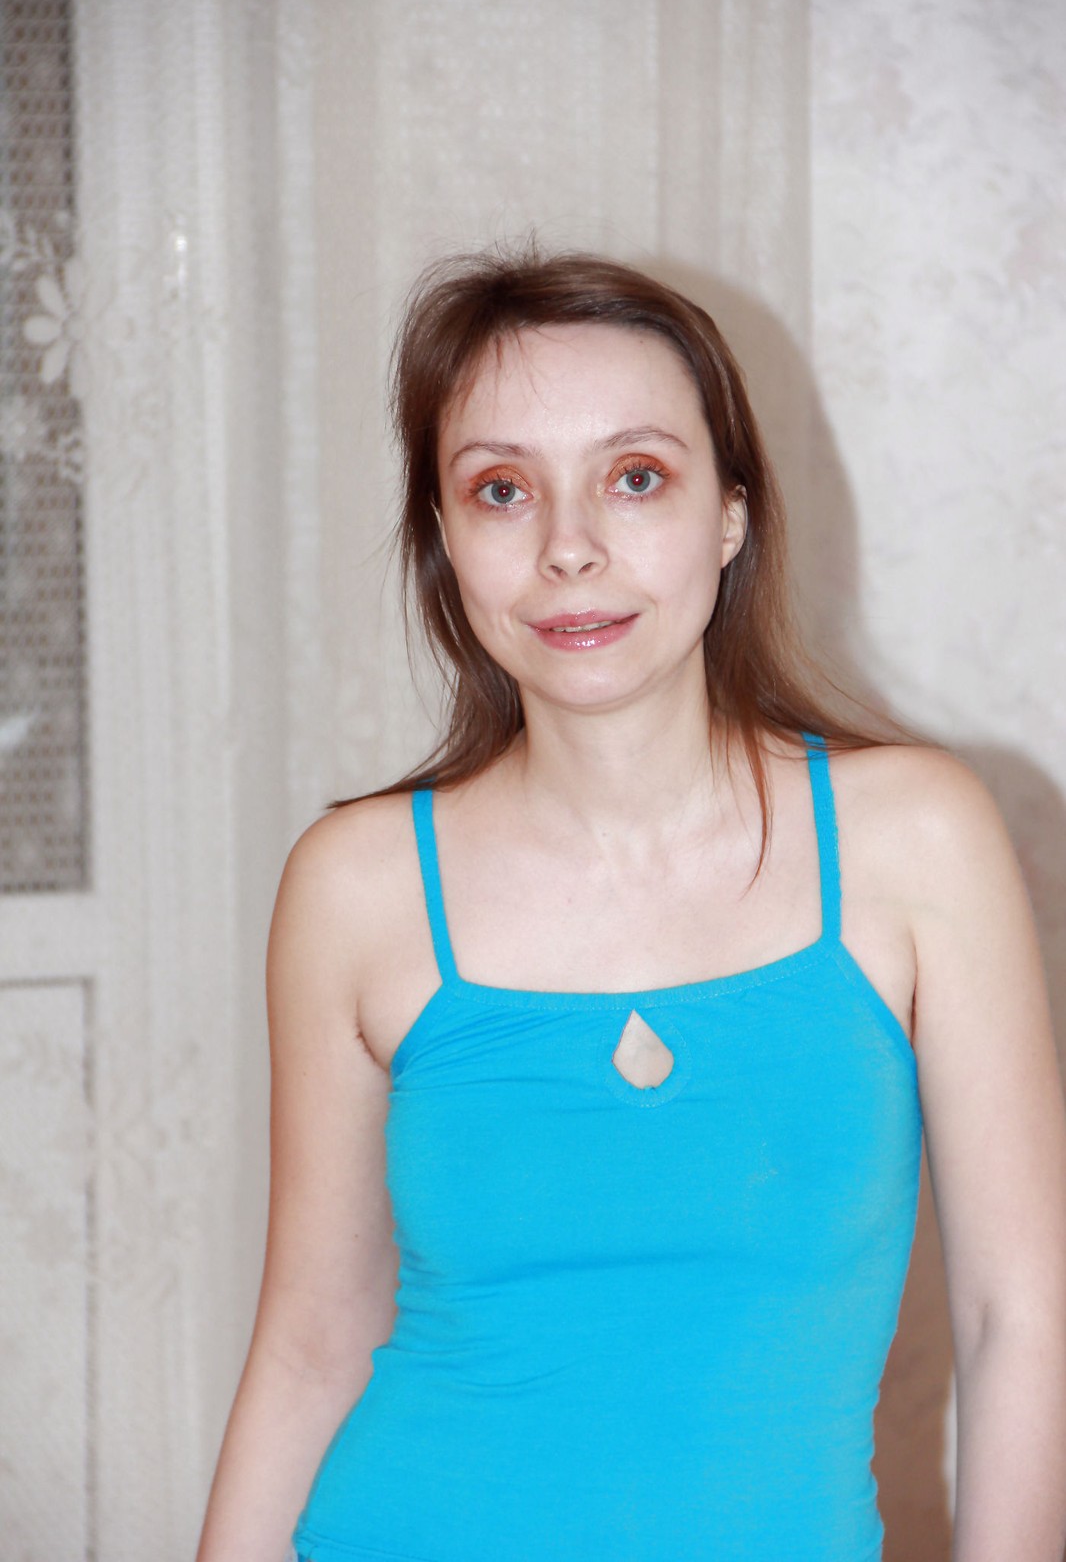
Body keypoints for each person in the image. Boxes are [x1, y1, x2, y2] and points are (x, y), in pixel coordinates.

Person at [196, 249, 1066, 1562]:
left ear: (730, 514)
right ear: (444, 540)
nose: (568, 547)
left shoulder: (919, 839)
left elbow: (1020, 1321)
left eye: (636, 476)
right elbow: (312, 1346)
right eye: (500, 490)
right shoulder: (353, 887)